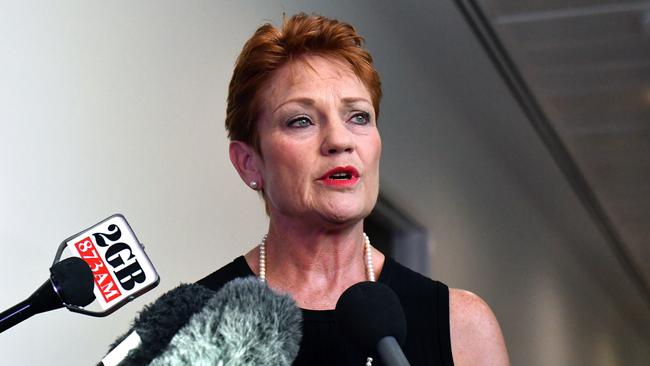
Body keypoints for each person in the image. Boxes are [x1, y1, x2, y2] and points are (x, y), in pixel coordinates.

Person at [198, 13, 509, 366]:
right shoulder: (193, 327)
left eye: (358, 116)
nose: (339, 140)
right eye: (301, 120)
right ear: (249, 163)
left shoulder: (462, 326)